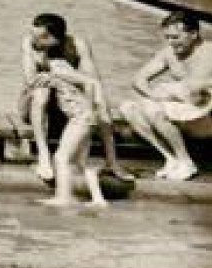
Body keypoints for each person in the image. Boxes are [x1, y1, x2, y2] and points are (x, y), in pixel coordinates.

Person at [15, 13, 132, 184]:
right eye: (33, 33)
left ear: (56, 38)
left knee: (100, 99)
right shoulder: (29, 44)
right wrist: (54, 76)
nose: (34, 39)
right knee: (42, 92)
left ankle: (112, 162)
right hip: (33, 105)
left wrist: (60, 76)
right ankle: (43, 156)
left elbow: (93, 81)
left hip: (67, 105)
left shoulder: (77, 45)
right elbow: (30, 80)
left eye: (41, 37)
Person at [120, 12, 212, 181]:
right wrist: (155, 95)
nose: (170, 43)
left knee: (154, 109)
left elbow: (196, 92)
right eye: (167, 38)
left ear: (193, 34)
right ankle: (171, 159)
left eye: (175, 37)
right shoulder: (169, 53)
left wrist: (171, 91)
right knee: (128, 108)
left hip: (206, 118)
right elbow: (138, 79)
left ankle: (186, 163)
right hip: (184, 111)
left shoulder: (210, 53)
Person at [31, 47, 110, 208]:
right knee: (82, 163)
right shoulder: (56, 69)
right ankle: (98, 199)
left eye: (35, 54)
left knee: (61, 158)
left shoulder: (58, 68)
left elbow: (91, 82)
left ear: (44, 54)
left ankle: (64, 197)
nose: (33, 59)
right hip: (85, 117)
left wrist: (88, 107)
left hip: (80, 118)